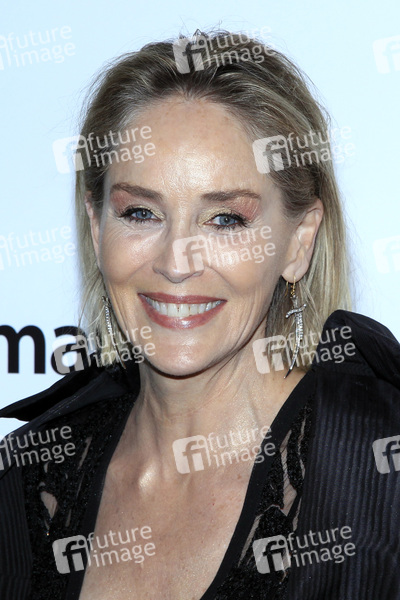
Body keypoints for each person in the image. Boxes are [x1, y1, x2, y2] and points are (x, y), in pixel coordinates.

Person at [1, 30, 399, 600]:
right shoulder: (27, 481)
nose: (175, 262)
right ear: (96, 226)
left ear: (299, 241)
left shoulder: (378, 471)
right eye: (140, 212)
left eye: (225, 220)